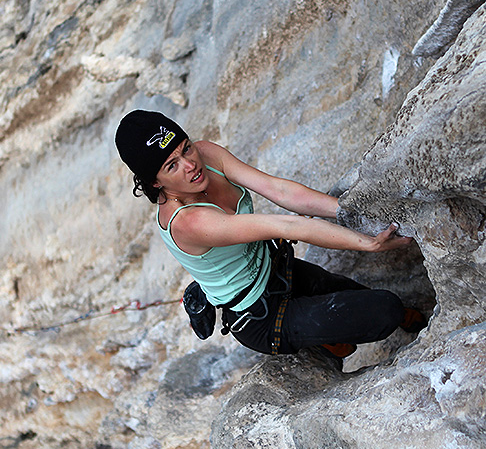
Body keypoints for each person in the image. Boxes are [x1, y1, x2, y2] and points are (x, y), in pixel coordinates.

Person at [114, 110, 425, 360]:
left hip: (277, 269)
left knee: (352, 292)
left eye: (186, 148)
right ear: (155, 183)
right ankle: (332, 341)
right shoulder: (188, 222)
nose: (190, 164)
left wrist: (356, 212)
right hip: (260, 316)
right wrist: (367, 243)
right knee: (386, 309)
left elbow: (279, 190)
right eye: (172, 165)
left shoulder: (207, 155)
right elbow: (286, 227)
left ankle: (397, 323)